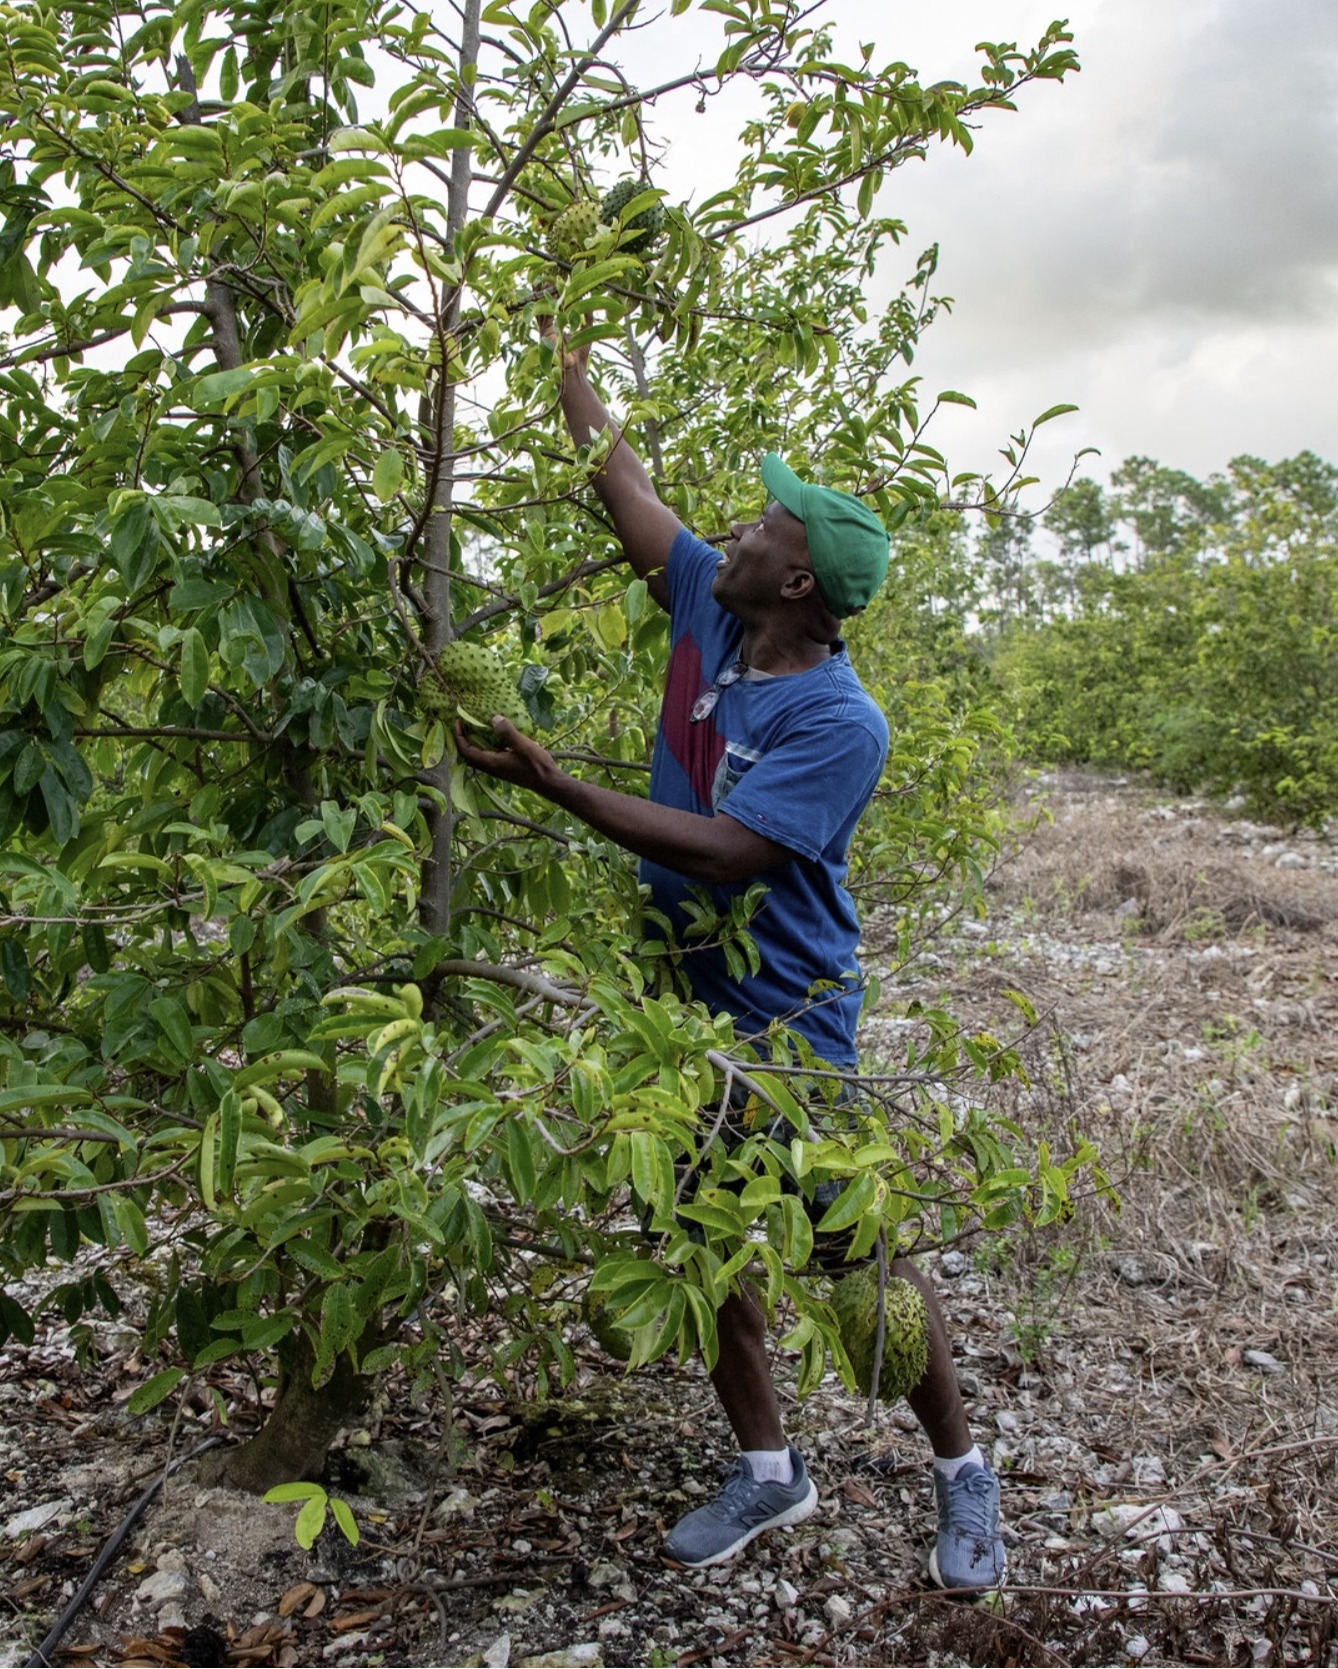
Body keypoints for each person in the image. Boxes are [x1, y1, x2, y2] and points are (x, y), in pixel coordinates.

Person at [453, 331, 1005, 1589]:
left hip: (788, 1016)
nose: (738, 528)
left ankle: (962, 1472)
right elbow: (626, 485)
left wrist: (556, 786)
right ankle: (768, 1470)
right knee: (699, 1234)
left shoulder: (839, 720)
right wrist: (566, 359)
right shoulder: (712, 598)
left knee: (854, 1257)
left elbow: (727, 852)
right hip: (674, 1007)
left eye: (765, 524)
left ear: (798, 580)